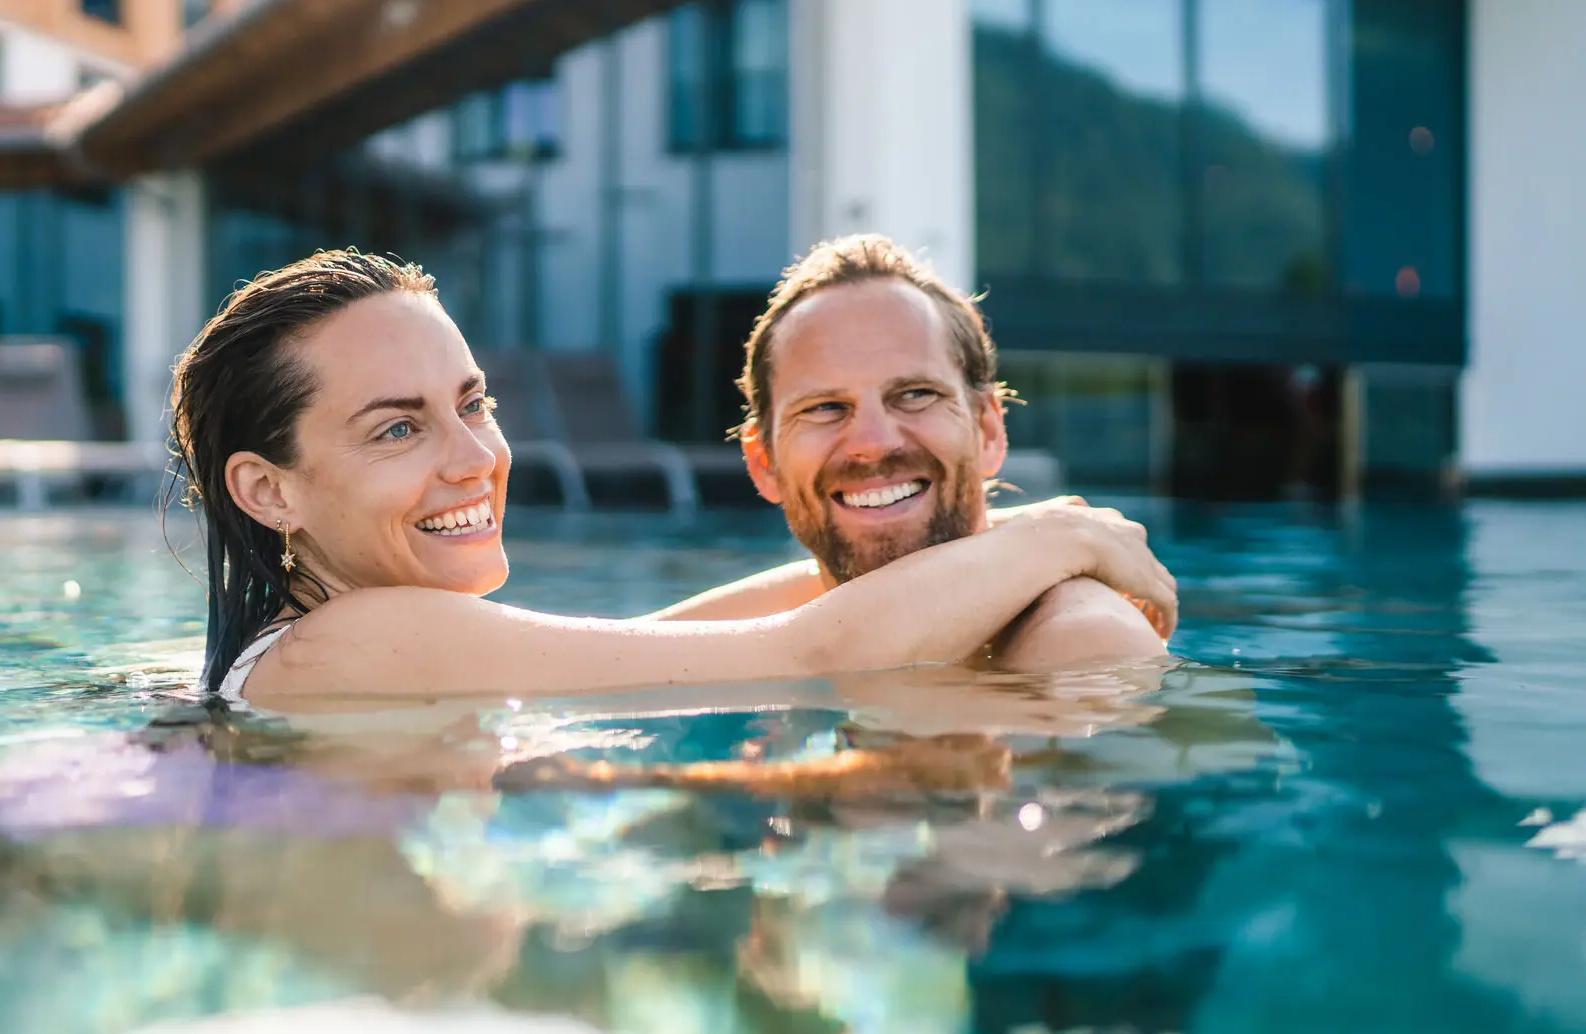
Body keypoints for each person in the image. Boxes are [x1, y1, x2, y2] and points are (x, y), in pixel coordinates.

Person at [170, 248, 1175, 707]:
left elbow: (676, 647)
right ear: (268, 491)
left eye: (474, 403)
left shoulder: (365, 641)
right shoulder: (351, 636)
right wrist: (1067, 539)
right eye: (397, 429)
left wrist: (1013, 557)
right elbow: (802, 653)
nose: (477, 457)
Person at [653, 235, 1167, 673]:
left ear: (988, 430)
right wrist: (1055, 540)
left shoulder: (1081, 643)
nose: (873, 442)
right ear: (763, 464)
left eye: (916, 395)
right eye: (826, 407)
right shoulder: (788, 628)